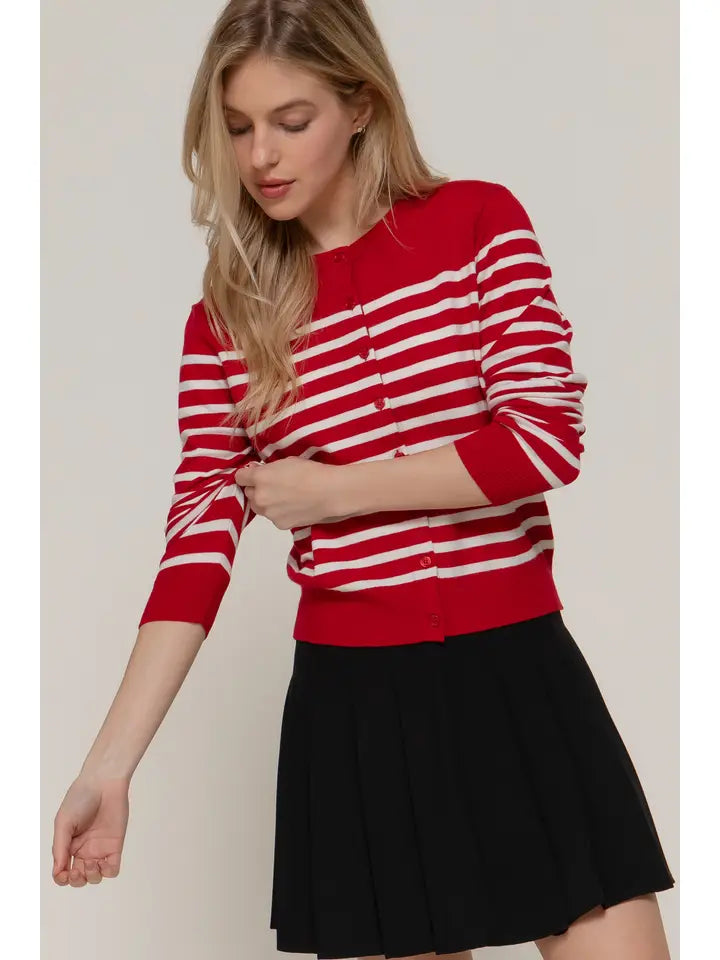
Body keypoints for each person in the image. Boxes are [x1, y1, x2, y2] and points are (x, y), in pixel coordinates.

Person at [51, 1, 676, 958]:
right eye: (237, 127)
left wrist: (336, 492)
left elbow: (542, 442)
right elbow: (195, 547)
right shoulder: (225, 320)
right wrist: (109, 768)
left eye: (291, 120)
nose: (261, 155)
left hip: (517, 672)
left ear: (361, 105)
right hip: (356, 714)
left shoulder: (477, 224)